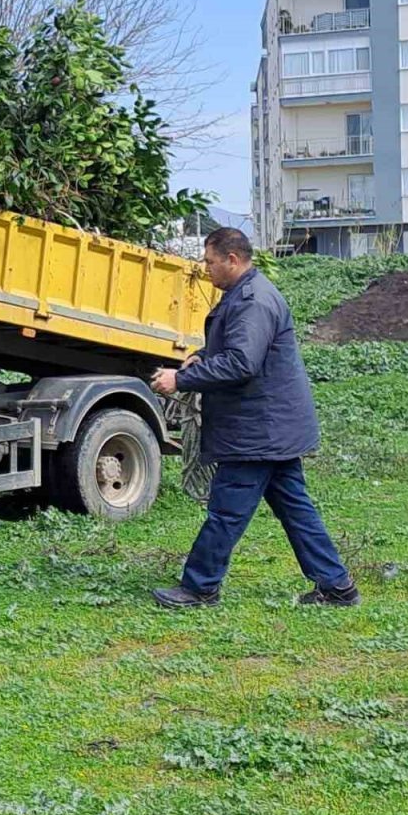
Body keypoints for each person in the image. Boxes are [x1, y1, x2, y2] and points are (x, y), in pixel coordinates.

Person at [148, 228, 359, 608]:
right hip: (272, 427)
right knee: (296, 510)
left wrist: (180, 379)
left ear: (232, 259)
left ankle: (199, 588)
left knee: (226, 512)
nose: (205, 269)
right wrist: (204, 354)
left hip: (258, 431)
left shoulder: (252, 300)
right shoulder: (249, 294)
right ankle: (337, 587)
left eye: (209, 261)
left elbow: (243, 362)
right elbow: (242, 348)